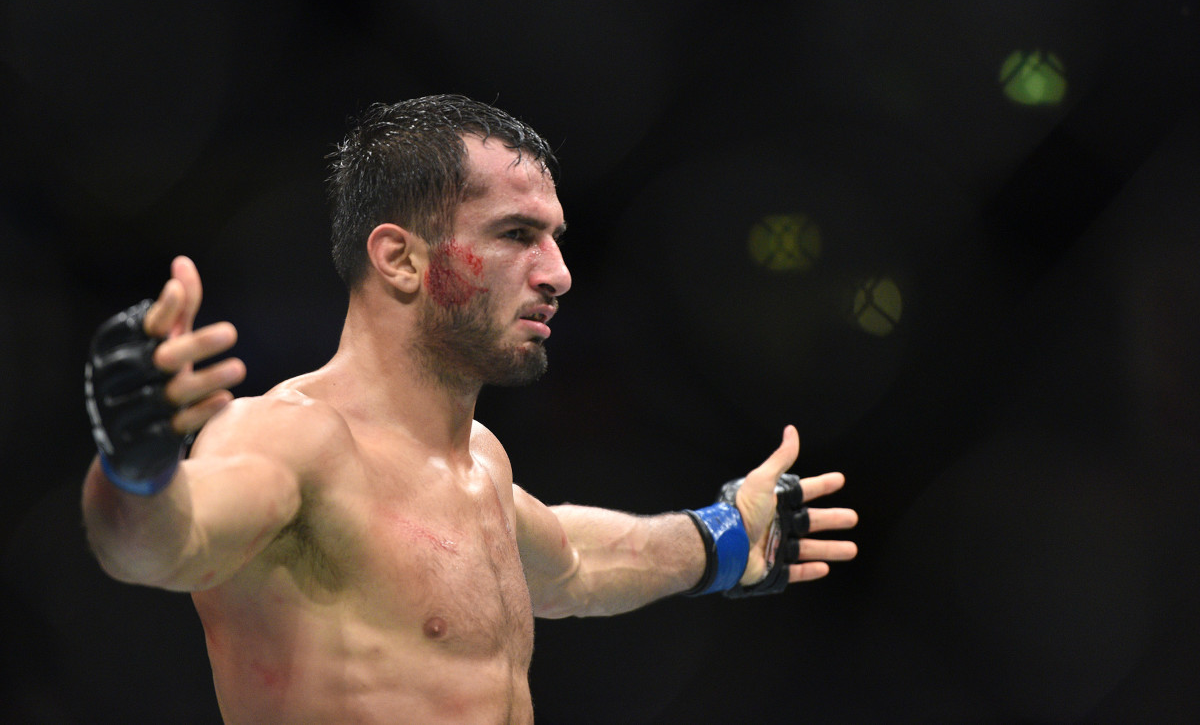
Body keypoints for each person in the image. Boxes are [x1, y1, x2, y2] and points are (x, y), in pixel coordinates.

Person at [81, 95, 858, 724]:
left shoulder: (480, 463)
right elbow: (158, 546)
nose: (558, 273)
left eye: (554, 238)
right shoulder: (292, 438)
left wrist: (723, 539)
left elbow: (577, 563)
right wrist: (135, 467)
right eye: (517, 235)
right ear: (401, 258)